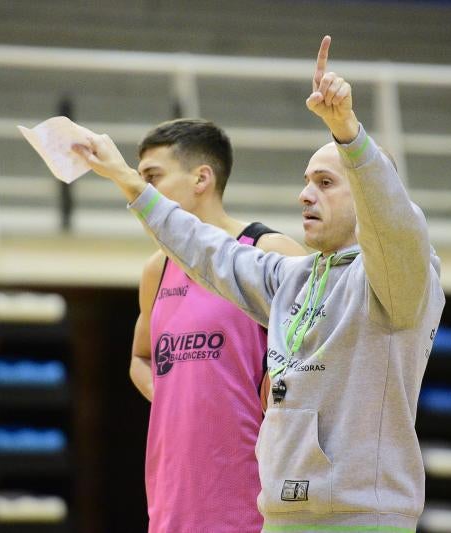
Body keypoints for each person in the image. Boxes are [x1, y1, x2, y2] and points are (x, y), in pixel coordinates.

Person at [75, 35, 445, 533]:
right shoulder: (290, 278)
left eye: (326, 183)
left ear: (366, 195)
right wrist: (127, 181)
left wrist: (348, 135)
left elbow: (397, 223)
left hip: (360, 517)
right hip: (280, 515)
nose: (304, 195)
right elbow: (208, 250)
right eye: (307, 181)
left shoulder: (402, 278)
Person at [127, 118, 307, 533]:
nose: (140, 192)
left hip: (253, 502)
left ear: (201, 178)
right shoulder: (157, 269)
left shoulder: (271, 252)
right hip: (173, 501)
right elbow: (140, 358)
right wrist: (179, 394)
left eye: (153, 177)